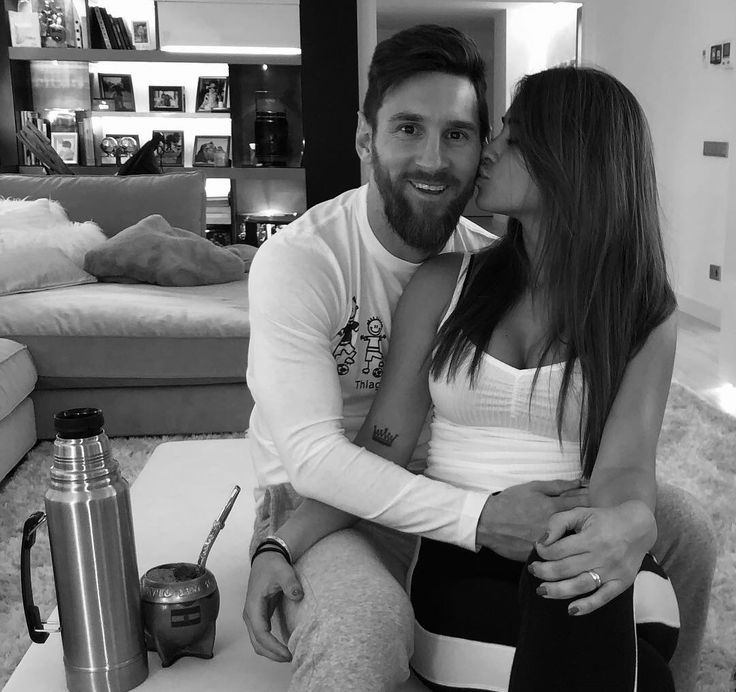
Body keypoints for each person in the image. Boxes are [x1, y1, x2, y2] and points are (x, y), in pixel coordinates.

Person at [243, 25, 716, 692]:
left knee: (672, 542)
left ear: (568, 159)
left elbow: (625, 469)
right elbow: (343, 457)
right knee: (374, 630)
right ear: (364, 136)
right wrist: (278, 541)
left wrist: (624, 523)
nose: (457, 156)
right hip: (349, 494)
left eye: (471, 134)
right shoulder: (319, 262)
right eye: (408, 128)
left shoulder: (616, 299)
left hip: (537, 515)